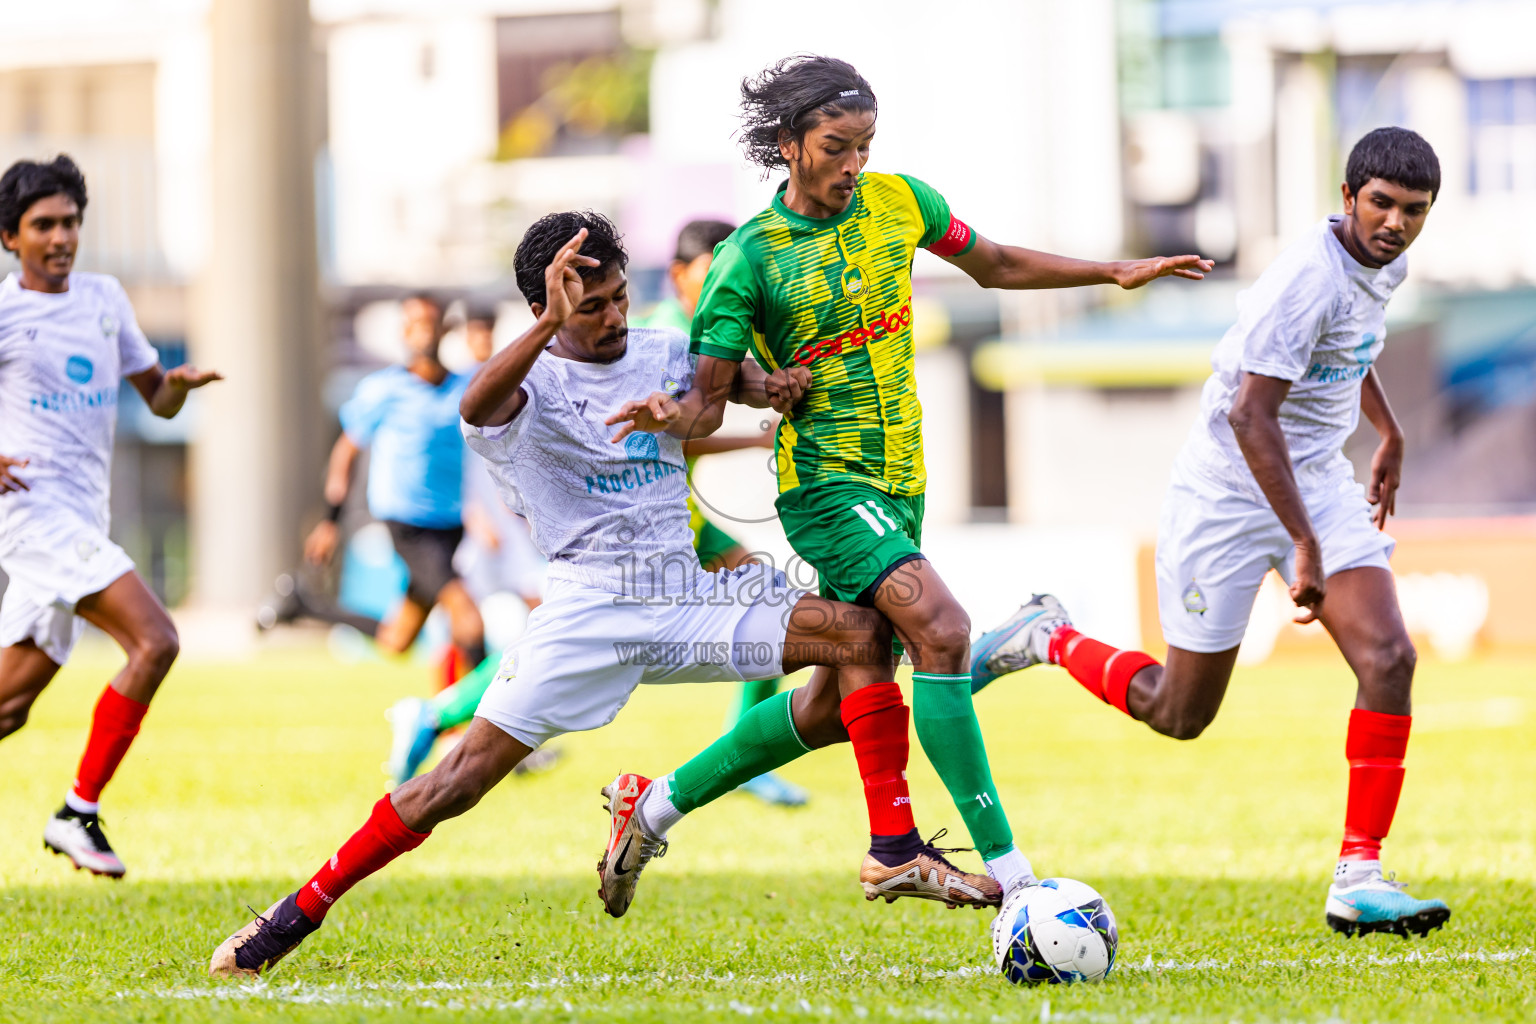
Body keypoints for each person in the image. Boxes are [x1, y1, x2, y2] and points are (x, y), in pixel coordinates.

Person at [209, 211, 995, 978]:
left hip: (685, 593)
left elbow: (734, 380)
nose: (615, 315)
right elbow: (474, 406)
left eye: (619, 294)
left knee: (861, 633)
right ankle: (296, 912)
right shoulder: (525, 380)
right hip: (588, 610)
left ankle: (892, 849)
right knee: (455, 783)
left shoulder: (659, 348)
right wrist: (550, 325)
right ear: (546, 309)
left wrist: (777, 385)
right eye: (591, 306)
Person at [657, 55, 1212, 902]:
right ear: (788, 146)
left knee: (832, 699)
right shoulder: (747, 261)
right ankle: (1015, 878)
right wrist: (699, 406)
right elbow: (706, 397)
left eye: (865, 145)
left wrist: (1113, 271)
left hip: (903, 485)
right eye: (838, 147)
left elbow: (995, 265)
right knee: (944, 631)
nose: (855, 165)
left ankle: (654, 808)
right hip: (823, 489)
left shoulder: (900, 201)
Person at [971, 127, 1451, 939]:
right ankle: (1048, 635)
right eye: (1381, 204)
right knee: (1178, 713)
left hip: (1316, 481)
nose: (1396, 223)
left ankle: (1359, 875)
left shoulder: (1385, 261)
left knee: (1390, 658)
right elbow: (1249, 414)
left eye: (1413, 210)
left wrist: (1389, 431)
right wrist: (1302, 544)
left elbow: (1350, 347)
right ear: (1347, 198)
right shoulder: (1305, 278)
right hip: (1227, 493)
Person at [0, 155, 221, 876]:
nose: (61, 237)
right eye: (43, 225)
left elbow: (154, 394)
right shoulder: (6, 312)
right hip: (33, 519)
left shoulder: (104, 297)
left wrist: (178, 388)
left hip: (82, 521)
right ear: (10, 238)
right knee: (155, 640)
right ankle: (78, 813)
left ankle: (76, 814)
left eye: (70, 223)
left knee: (11, 705)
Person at [638, 218, 807, 807]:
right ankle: (440, 712)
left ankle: (747, 755)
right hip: (644, 523)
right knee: (578, 647)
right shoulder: (665, 337)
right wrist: (752, 440)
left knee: (771, 601)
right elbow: (672, 437)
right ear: (678, 275)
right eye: (713, 276)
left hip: (679, 517)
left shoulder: (704, 331)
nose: (724, 288)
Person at [262, 293, 487, 676]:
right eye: (414, 324)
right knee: (469, 621)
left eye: (430, 323)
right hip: (409, 524)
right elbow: (345, 452)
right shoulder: (384, 388)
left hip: (450, 523)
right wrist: (330, 520)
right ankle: (482, 731)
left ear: (444, 329)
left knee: (397, 639)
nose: (422, 333)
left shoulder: (462, 386)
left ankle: (305, 605)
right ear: (404, 331)